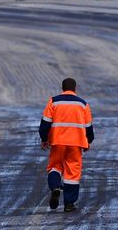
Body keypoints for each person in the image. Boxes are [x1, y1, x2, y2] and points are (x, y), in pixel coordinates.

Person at [38, 77, 93, 213]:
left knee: (55, 167)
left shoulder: (54, 101)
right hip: (76, 143)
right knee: (72, 173)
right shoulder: (83, 104)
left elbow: (45, 123)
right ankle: (69, 203)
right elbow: (88, 127)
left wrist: (44, 138)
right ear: (74, 89)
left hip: (58, 141)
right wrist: (89, 141)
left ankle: (56, 186)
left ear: (62, 88)